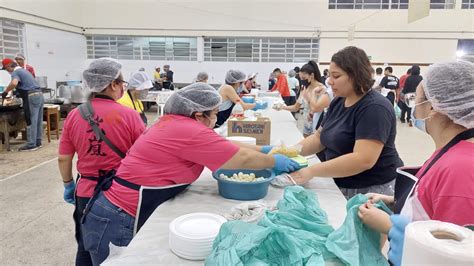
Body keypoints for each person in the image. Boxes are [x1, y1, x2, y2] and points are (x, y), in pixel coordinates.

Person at [80, 83, 299, 265]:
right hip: (117, 216)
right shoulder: (187, 130)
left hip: (114, 209)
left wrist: (263, 150)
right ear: (198, 115)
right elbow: (240, 159)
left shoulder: (176, 123)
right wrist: (273, 161)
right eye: (214, 113)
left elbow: (222, 145)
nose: (216, 118)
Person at [357, 61, 474, 266]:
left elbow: (452, 252)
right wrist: (394, 201)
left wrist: (391, 225)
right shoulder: (449, 152)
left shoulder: (459, 169)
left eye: (416, 99)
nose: (413, 106)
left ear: (434, 107)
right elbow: (433, 203)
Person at [58, 58, 145, 266]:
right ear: (113, 84)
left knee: (85, 245)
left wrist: (68, 185)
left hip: (85, 192)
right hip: (119, 194)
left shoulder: (74, 115)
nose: (124, 88)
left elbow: (64, 157)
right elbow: (144, 156)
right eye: (122, 83)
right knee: (118, 251)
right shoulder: (131, 116)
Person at [288, 46, 404, 199]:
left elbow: (363, 159)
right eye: (329, 76)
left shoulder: (374, 108)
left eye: (336, 76)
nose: (329, 81)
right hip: (341, 181)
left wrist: (312, 171)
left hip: (371, 190)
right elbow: (318, 138)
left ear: (356, 75)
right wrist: (290, 152)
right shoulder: (339, 101)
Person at [277, 61, 330, 138]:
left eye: (304, 78)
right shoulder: (305, 88)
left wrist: (308, 98)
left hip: (317, 127)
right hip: (306, 124)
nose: (302, 80)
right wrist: (282, 107)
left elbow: (317, 109)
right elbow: (296, 107)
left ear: (312, 75)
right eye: (301, 78)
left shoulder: (322, 89)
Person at [1, 58, 43, 151]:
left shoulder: (16, 72)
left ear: (8, 66)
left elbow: (14, 83)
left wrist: (5, 92)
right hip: (39, 94)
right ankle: (38, 142)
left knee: (31, 119)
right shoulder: (24, 71)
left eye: (6, 68)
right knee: (37, 119)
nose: (7, 71)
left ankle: (31, 144)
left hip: (31, 96)